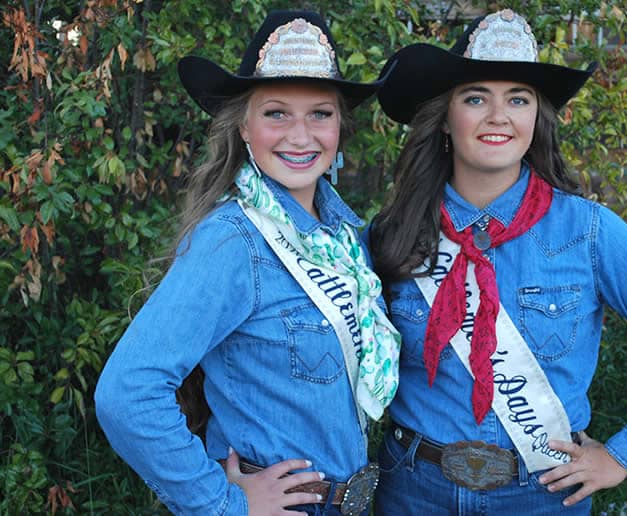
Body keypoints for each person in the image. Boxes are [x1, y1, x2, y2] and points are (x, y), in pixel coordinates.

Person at [367, 9, 627, 515]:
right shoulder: (394, 233)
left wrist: (625, 454)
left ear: (536, 119)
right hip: (413, 488)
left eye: (518, 99)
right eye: (476, 99)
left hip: (542, 496)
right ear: (446, 118)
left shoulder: (587, 231)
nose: (499, 116)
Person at [94, 10, 400, 516]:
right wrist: (223, 504)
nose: (300, 136)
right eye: (276, 113)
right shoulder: (233, 241)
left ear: (341, 127)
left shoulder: (343, 237)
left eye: (320, 113)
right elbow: (128, 393)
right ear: (244, 126)